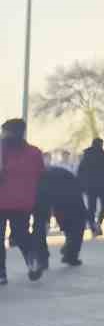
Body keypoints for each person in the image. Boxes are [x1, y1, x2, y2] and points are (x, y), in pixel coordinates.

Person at [0, 118, 47, 282]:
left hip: (3, 200)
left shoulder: (2, 151)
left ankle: (1, 273)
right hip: (24, 202)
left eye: (4, 131)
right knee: (21, 235)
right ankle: (32, 261)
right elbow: (41, 176)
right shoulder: (34, 152)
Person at [35, 165, 88, 268]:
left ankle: (43, 258)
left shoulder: (45, 175)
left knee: (40, 223)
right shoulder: (65, 176)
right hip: (68, 191)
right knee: (76, 223)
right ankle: (71, 253)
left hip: (49, 189)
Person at [76, 137, 104, 236]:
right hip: (102, 187)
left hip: (92, 187)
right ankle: (97, 224)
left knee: (92, 208)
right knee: (103, 206)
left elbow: (80, 174)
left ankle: (94, 225)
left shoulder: (87, 158)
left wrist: (81, 187)